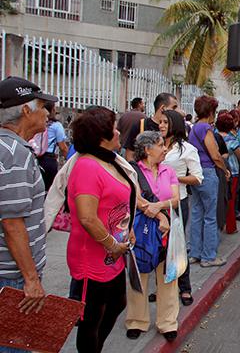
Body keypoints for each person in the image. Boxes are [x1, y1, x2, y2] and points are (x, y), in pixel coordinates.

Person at [66, 106, 137, 353]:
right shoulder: (87, 166)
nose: (119, 132)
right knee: (90, 319)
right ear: (102, 136)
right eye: (114, 128)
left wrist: (127, 230)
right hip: (93, 257)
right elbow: (86, 217)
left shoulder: (109, 161)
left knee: (117, 303)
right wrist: (112, 244)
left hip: (113, 254)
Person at [0, 77, 57, 353]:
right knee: (13, 346)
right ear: (25, 110)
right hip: (13, 278)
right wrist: (31, 279)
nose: (48, 114)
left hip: (11, 274)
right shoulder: (14, 154)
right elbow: (11, 223)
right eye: (43, 107)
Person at [126, 131, 180, 342]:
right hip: (142, 231)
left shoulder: (169, 171)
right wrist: (160, 217)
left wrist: (159, 207)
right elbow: (138, 199)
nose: (165, 148)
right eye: (160, 145)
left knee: (168, 277)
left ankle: (168, 322)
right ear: (147, 149)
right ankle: (136, 321)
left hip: (168, 232)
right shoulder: (132, 171)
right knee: (139, 276)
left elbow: (176, 199)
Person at [159, 110, 203, 306]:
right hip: (155, 203)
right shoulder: (154, 144)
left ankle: (184, 288)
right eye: (159, 122)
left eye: (165, 123)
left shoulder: (186, 149)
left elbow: (197, 177)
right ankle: (162, 286)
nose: (160, 126)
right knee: (157, 247)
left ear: (174, 125)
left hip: (178, 202)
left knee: (176, 245)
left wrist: (173, 179)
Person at [188, 96, 230, 267]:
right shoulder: (206, 128)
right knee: (210, 216)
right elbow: (215, 155)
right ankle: (208, 257)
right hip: (208, 173)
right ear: (211, 111)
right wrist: (225, 169)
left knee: (197, 214)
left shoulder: (193, 128)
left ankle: (195, 253)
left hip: (196, 173)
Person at [123, 93, 178, 161]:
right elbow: (129, 155)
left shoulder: (175, 129)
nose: (177, 111)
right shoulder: (141, 125)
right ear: (163, 108)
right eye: (174, 107)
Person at [216, 113, 240, 233]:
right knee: (230, 199)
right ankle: (231, 227)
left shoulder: (213, 137)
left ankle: (218, 225)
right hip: (232, 171)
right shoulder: (232, 140)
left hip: (216, 171)